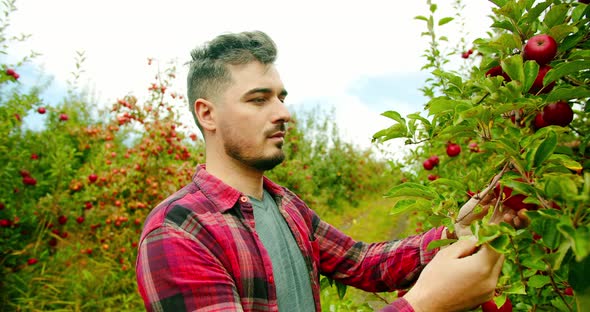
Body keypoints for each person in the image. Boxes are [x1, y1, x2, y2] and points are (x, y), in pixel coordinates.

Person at [135, 30, 526, 312]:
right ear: (207, 114)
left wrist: (453, 231)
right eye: (258, 100)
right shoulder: (178, 232)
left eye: (281, 98)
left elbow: (361, 262)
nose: (283, 113)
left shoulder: (285, 205)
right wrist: (422, 304)